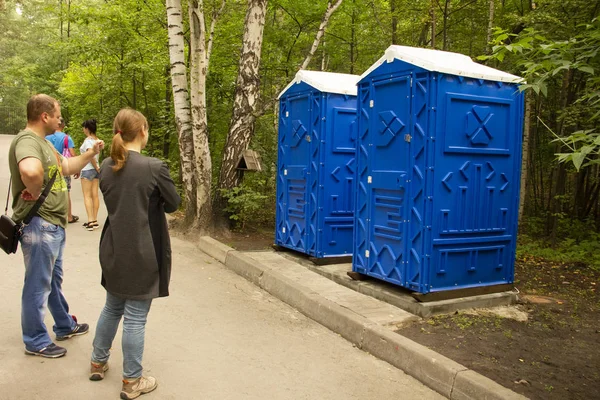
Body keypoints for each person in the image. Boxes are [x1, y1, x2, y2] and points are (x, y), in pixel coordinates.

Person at [89, 108, 180, 400]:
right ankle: (132, 381)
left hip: (113, 248)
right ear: (143, 130)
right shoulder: (154, 166)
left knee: (112, 307)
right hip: (144, 251)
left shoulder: (105, 165)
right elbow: (173, 204)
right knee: (135, 317)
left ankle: (97, 361)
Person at [8, 94, 104, 358]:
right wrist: (36, 190)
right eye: (58, 115)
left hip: (52, 225)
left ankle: (64, 325)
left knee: (51, 281)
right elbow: (30, 171)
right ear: (45, 116)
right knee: (38, 285)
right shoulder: (28, 141)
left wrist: (91, 153)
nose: (60, 119)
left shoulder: (44, 143)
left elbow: (66, 166)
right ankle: (36, 340)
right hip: (40, 225)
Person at [46, 117, 79, 224]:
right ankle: (69, 216)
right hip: (63, 168)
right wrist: (76, 168)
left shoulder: (47, 137)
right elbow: (72, 154)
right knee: (66, 192)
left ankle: (51, 215)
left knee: (49, 191)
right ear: (63, 125)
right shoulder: (66, 138)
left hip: (49, 167)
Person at [79, 118, 101, 231]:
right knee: (95, 195)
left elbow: (90, 154)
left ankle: (90, 220)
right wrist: (97, 167)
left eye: (84, 127)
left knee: (87, 196)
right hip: (95, 171)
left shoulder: (88, 141)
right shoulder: (98, 140)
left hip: (87, 169)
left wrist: (95, 166)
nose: (83, 129)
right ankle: (95, 219)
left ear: (87, 128)